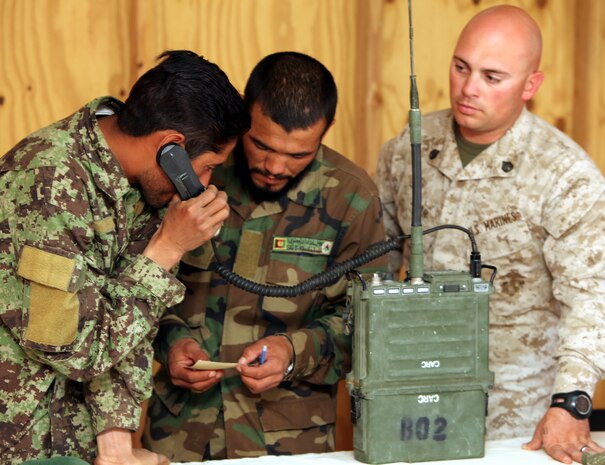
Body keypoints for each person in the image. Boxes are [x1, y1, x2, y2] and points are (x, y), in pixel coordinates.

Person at [377, 5, 605, 465]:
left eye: (492, 76)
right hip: (411, 396)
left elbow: (592, 296)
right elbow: (378, 259)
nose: (468, 88)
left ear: (530, 86)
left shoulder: (564, 174)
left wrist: (572, 401)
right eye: (461, 67)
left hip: (515, 414)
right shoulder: (409, 148)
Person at [0, 50, 250, 465]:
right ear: (172, 148)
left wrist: (117, 445)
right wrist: (167, 249)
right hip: (24, 445)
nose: (205, 186)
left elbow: (126, 323)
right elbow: (76, 345)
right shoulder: (46, 183)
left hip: (82, 447)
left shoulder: (139, 184)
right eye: (207, 168)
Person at [142, 51, 387, 461]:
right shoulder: (200, 173)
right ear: (244, 117)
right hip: (182, 434)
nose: (274, 166)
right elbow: (136, 280)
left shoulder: (351, 197)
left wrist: (296, 352)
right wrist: (170, 342)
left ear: (324, 134)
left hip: (291, 441)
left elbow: (373, 324)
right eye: (261, 145)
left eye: (298, 156)